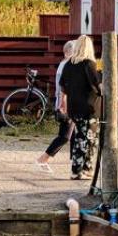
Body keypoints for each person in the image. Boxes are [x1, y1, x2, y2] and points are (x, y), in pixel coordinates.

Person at [58, 35, 102, 180]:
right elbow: (98, 86)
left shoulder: (69, 64)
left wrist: (63, 103)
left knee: (79, 137)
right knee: (90, 139)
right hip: (89, 107)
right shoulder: (89, 64)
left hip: (74, 107)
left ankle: (77, 169)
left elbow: (62, 86)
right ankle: (84, 169)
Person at [35, 39, 78, 174]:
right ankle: (43, 159)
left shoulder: (65, 65)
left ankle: (76, 163)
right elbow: (62, 88)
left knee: (74, 135)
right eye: (74, 52)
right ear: (66, 53)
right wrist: (62, 105)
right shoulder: (67, 66)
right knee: (65, 136)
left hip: (68, 104)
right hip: (65, 105)